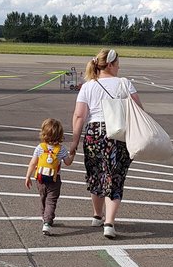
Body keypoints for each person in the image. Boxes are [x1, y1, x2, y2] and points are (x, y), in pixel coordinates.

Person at [68, 48, 141, 239]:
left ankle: (97, 216)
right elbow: (138, 110)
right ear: (110, 64)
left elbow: (79, 116)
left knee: (96, 174)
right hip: (116, 134)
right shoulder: (125, 84)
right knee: (114, 176)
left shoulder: (88, 86)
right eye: (117, 63)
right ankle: (109, 223)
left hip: (93, 134)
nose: (119, 67)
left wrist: (74, 143)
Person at [25, 117, 73, 235]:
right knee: (51, 201)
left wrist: (27, 176)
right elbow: (67, 163)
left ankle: (44, 216)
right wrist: (72, 154)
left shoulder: (40, 148)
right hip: (54, 180)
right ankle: (47, 222)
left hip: (40, 179)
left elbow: (33, 163)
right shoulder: (61, 149)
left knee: (43, 198)